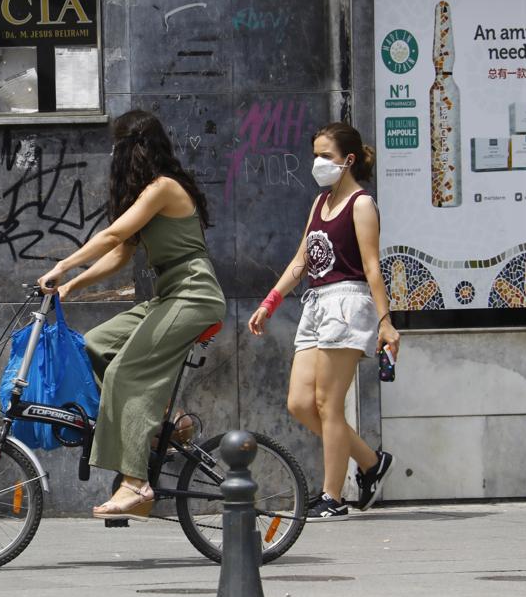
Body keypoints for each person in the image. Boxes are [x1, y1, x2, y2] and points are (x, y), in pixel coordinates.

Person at [37, 110, 226, 520]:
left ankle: (135, 484)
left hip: (193, 294)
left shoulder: (162, 188)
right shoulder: (151, 193)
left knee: (126, 372)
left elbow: (112, 235)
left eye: (117, 148)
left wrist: (61, 266)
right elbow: (122, 253)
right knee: (94, 345)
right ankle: (167, 421)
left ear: (132, 149)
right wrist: (72, 287)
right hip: (169, 295)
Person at [247, 122, 400, 521]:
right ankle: (371, 462)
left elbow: (372, 266)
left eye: (326, 155)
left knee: (328, 405)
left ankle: (332, 497)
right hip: (316, 304)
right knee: (300, 403)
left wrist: (386, 322)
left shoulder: (361, 204)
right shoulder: (320, 203)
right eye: (315, 154)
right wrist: (270, 302)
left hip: (348, 304)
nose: (318, 162)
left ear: (348, 160)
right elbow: (302, 260)